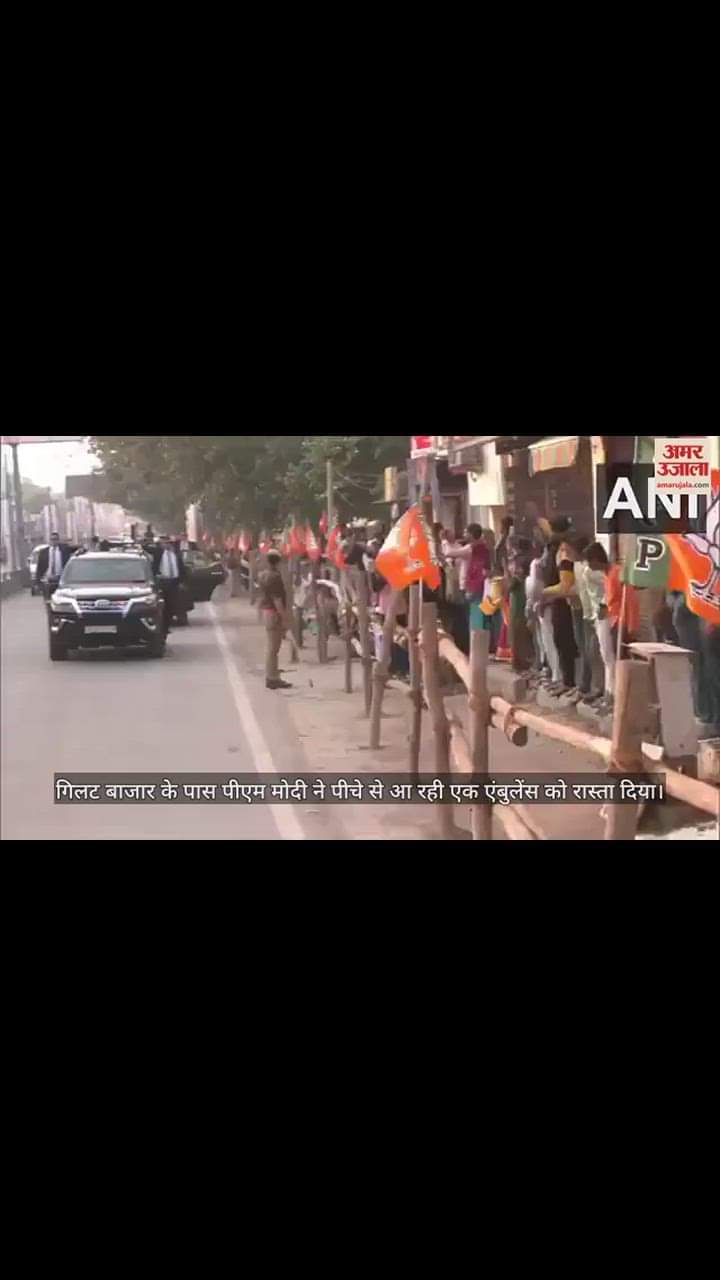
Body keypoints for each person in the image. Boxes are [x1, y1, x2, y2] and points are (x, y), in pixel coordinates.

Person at [585, 543, 616, 711]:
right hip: (605, 619)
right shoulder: (607, 575)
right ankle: (608, 694)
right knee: (606, 659)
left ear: (596, 559)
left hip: (613, 620)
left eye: (590, 561)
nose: (589, 566)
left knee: (610, 660)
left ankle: (612, 696)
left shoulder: (615, 573)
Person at [258, 551, 292, 689]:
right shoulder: (275, 577)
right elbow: (277, 599)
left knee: (271, 647)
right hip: (274, 613)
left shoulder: (263, 575)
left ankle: (272, 675)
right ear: (278, 562)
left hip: (267, 612)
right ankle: (272, 677)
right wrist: (284, 617)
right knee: (274, 648)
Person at [151, 536, 188, 638]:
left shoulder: (175, 554)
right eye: (164, 543)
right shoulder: (158, 554)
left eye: (168, 543)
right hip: (162, 582)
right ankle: (162, 628)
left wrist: (182, 581)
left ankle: (166, 627)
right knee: (162, 606)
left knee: (172, 606)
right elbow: (153, 567)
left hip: (174, 582)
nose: (167, 545)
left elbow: (181, 568)